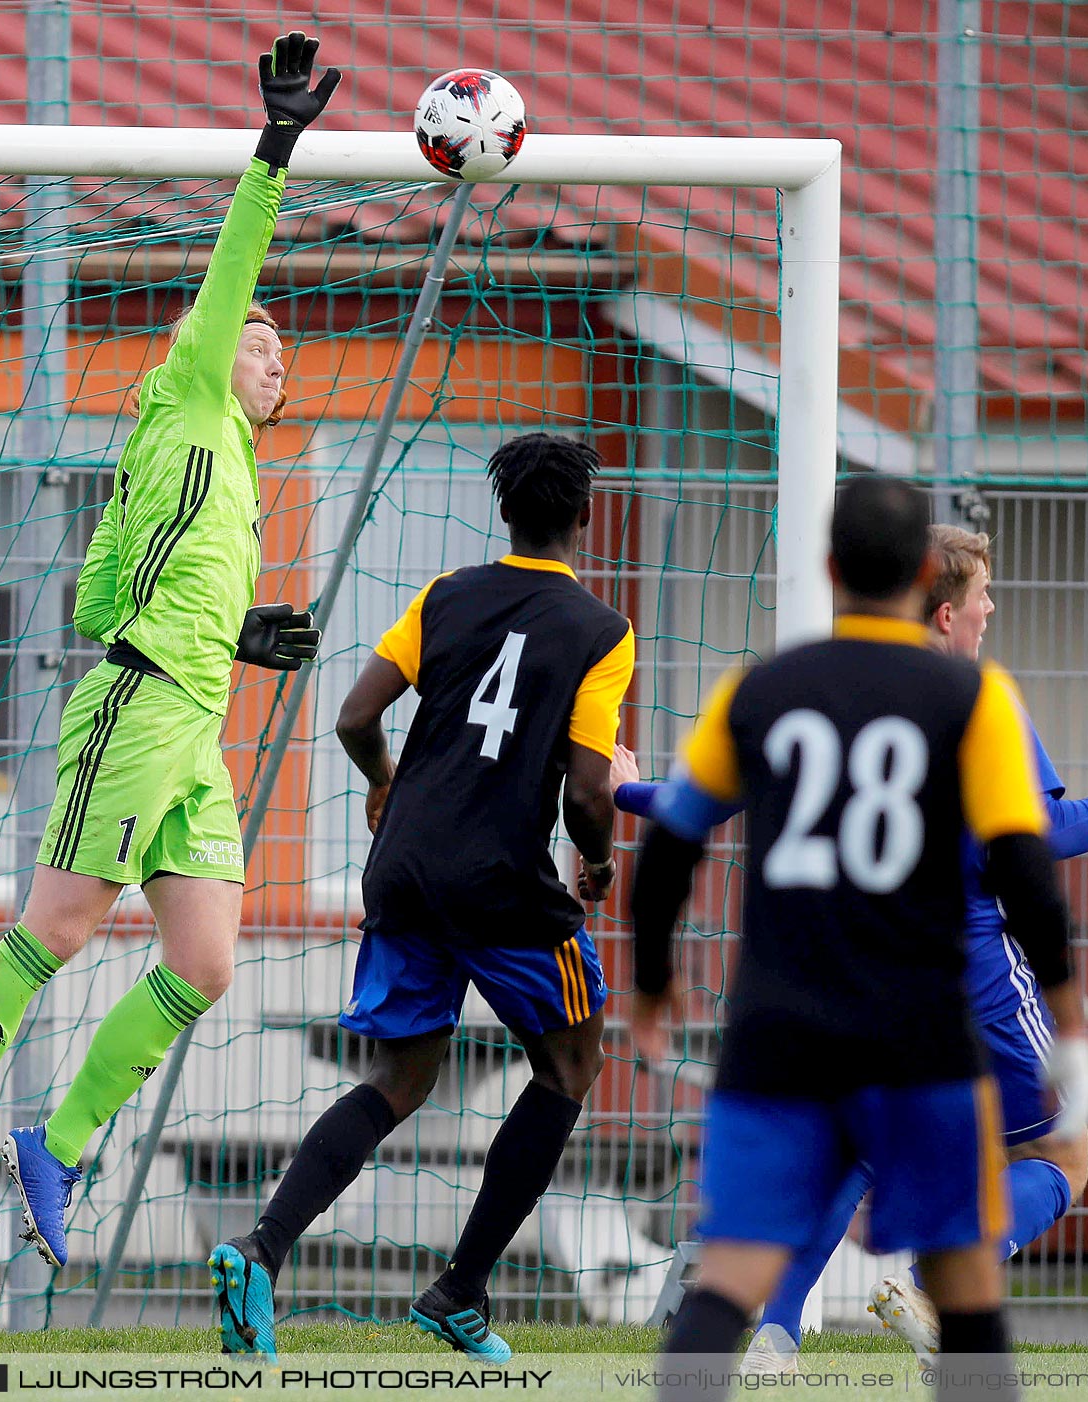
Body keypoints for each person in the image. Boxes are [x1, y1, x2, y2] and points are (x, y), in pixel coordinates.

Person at [0, 32, 336, 1270]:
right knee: (61, 928)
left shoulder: (219, 464)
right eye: (261, 342)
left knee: (203, 962)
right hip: (138, 709)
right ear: (212, 348)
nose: (275, 356)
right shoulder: (193, 390)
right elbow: (236, 261)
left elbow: (101, 593)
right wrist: (278, 145)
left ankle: (61, 1142)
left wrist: (239, 631)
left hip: (192, 719)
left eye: (279, 351)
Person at [629, 476, 1088, 1402]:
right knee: (964, 1280)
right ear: (929, 574)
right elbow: (1028, 875)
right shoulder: (976, 698)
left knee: (730, 1273)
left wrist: (651, 984)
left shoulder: (760, 690)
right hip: (920, 1032)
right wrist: (1072, 1023)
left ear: (830, 568)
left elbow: (673, 840)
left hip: (780, 1031)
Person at [209, 432, 637, 1363]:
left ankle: (261, 1249)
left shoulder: (444, 595)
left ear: (503, 513)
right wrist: (596, 863)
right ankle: (459, 1292)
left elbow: (356, 716)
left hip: (404, 867)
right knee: (568, 1068)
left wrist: (382, 778)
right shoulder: (601, 631)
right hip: (505, 885)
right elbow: (590, 794)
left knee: (399, 1079)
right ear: (583, 516)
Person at [739, 526, 1088, 1368]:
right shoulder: (975, 697)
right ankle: (931, 1287)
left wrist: (628, 785)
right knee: (1065, 1155)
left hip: (860, 976)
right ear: (948, 612)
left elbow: (737, 787)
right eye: (985, 595)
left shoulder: (834, 690)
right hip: (976, 980)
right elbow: (1047, 834)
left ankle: (775, 1332)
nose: (993, 609)